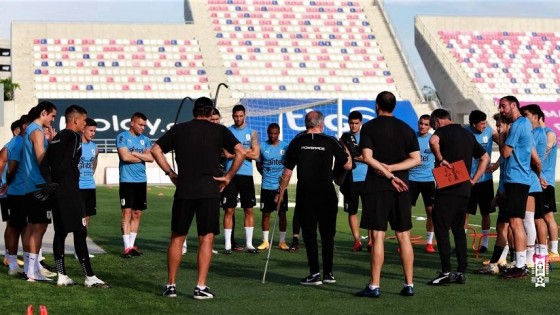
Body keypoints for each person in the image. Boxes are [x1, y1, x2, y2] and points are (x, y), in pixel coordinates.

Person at [151, 96, 246, 299]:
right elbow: (241, 152)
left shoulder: (179, 129)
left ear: (194, 111)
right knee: (206, 238)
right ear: (211, 112)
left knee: (177, 237)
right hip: (209, 191)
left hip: (185, 189)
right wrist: (228, 177)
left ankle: (171, 285)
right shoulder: (219, 130)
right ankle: (200, 286)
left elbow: (155, 149)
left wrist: (170, 173)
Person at [355, 91, 420, 298]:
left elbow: (367, 157)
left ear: (377, 106)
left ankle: (374, 285)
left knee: (378, 235)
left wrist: (386, 172)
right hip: (402, 186)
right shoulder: (406, 128)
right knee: (404, 236)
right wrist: (393, 169)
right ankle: (409, 284)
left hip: (378, 185)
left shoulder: (370, 127)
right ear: (394, 106)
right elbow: (416, 159)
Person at [277, 110, 351, 285]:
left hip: (306, 194)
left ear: (305, 124)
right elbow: (348, 165)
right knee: (327, 235)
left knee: (309, 235)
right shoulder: (330, 141)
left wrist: (280, 193)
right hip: (326, 194)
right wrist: (345, 147)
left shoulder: (297, 141)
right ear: (321, 124)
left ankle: (315, 274)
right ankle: (328, 274)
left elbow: (287, 173)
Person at [42, 105, 109, 288]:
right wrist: (60, 181)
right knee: (80, 231)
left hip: (56, 192)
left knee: (61, 233)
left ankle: (62, 276)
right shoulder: (73, 137)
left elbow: (45, 162)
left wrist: (51, 183)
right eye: (85, 120)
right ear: (76, 120)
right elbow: (66, 163)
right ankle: (89, 277)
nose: (85, 123)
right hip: (70, 191)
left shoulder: (57, 137)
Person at [426, 109, 489, 285]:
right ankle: (461, 271)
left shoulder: (441, 132)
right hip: (464, 189)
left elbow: (433, 141)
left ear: (438, 121)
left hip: (447, 188)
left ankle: (446, 271)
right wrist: (474, 180)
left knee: (441, 227)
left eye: (432, 124)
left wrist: (440, 158)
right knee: (459, 230)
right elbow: (485, 157)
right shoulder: (468, 135)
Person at [498, 95, 540, 279]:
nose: (501, 109)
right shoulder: (524, 125)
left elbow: (506, 152)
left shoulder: (518, 125)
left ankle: (521, 265)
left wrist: (501, 136)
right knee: (518, 221)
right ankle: (520, 263)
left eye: (503, 106)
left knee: (517, 222)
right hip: (517, 178)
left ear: (514, 105)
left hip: (516, 179)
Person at [21, 101, 58, 281]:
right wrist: (50, 181)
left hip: (30, 185)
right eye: (52, 116)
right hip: (39, 186)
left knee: (31, 227)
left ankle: (30, 268)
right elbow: (41, 158)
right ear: (44, 112)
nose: (52, 120)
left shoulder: (31, 130)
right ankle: (32, 272)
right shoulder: (36, 131)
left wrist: (49, 142)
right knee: (39, 227)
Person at [222, 104, 260, 254]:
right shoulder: (227, 132)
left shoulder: (252, 133)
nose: (238, 118)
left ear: (245, 116)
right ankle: (227, 245)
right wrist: (246, 152)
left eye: (241, 116)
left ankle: (249, 244)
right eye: (236, 116)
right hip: (230, 174)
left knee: (248, 209)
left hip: (246, 175)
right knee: (229, 209)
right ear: (232, 116)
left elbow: (256, 154)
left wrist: (237, 153)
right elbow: (226, 154)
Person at [116, 112, 154, 258]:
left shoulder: (146, 139)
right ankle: (126, 247)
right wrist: (142, 156)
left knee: (137, 213)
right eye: (140, 124)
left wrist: (135, 154)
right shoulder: (122, 136)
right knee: (126, 213)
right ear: (132, 123)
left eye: (144, 125)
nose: (143, 128)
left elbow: (151, 158)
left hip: (141, 180)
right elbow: (124, 157)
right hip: (127, 180)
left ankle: (132, 246)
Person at [465, 110, 498, 254]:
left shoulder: (490, 132)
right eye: (482, 123)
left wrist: (496, 164)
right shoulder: (464, 133)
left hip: (485, 180)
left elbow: (505, 147)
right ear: (473, 124)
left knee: (486, 212)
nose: (485, 125)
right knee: (464, 213)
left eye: (485, 122)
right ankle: (462, 243)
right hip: (467, 180)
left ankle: (484, 243)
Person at [256, 123, 289, 250]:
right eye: (271, 133)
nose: (273, 135)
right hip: (266, 187)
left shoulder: (285, 147)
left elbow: (287, 167)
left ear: (279, 132)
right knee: (266, 213)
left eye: (275, 133)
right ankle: (265, 241)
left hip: (280, 187)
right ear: (267, 132)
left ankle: (282, 241)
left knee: (282, 214)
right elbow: (259, 165)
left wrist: (282, 183)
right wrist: (266, 175)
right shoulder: (262, 146)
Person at [338, 110, 369, 252]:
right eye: (351, 123)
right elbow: (342, 157)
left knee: (370, 211)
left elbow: (369, 157)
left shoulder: (367, 137)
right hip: (350, 180)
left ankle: (371, 241)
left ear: (361, 123)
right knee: (352, 211)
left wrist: (353, 155)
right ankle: (357, 241)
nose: (353, 126)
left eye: (356, 123)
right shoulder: (344, 138)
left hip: (368, 179)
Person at [520, 104, 546, 263]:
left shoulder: (536, 134)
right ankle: (537, 255)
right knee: (534, 219)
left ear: (536, 117)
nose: (524, 118)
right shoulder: (534, 132)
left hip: (532, 181)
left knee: (533, 219)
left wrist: (538, 176)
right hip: (533, 180)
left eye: (527, 115)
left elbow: (535, 160)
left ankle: (534, 257)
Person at [1, 117, 27, 275]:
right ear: (16, 130)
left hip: (15, 190)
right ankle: (9, 257)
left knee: (16, 224)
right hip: (8, 191)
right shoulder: (11, 145)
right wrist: (4, 184)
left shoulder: (20, 145)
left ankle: (11, 256)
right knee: (12, 225)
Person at [408, 114, 436, 253]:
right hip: (411, 179)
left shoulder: (433, 139)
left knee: (431, 211)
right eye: (421, 123)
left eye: (426, 124)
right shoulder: (412, 137)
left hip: (428, 180)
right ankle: (405, 242)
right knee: (406, 210)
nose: (422, 126)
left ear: (430, 125)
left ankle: (429, 242)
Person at [539, 114, 559, 258]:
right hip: (536, 181)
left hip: (546, 181)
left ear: (538, 117)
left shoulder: (549, 133)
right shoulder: (536, 134)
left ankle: (554, 250)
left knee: (548, 216)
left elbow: (544, 152)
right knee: (537, 217)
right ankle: (542, 248)